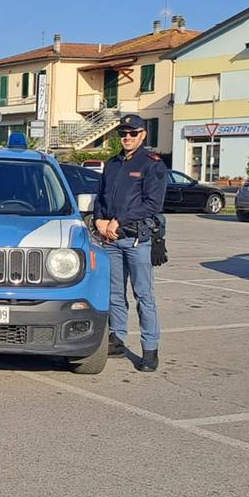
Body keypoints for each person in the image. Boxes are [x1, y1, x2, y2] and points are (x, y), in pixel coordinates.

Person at [93, 114, 167, 372]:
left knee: (143, 295)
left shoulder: (152, 164)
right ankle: (117, 339)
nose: (127, 137)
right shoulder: (112, 163)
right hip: (111, 239)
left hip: (136, 239)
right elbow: (101, 196)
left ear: (142, 135)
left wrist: (119, 220)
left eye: (132, 133)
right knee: (114, 293)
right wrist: (99, 220)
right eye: (123, 133)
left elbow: (153, 204)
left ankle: (150, 349)